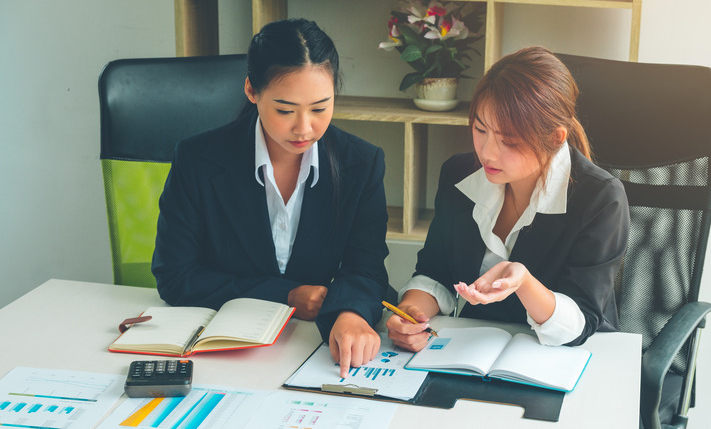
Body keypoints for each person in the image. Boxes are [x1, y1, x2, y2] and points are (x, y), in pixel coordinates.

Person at [152, 19, 391, 376]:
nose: (304, 128)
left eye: (320, 107)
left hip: (308, 349)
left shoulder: (362, 163)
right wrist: (287, 295)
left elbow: (367, 271)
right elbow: (175, 276)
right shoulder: (198, 159)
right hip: (220, 349)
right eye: (284, 110)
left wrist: (351, 312)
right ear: (251, 90)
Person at [386, 46, 629, 351]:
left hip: (564, 356)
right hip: (475, 348)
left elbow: (579, 322)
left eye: (508, 141)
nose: (487, 152)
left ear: (555, 138)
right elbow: (436, 274)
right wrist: (411, 313)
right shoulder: (458, 174)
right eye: (480, 129)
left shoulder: (601, 199)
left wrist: (524, 282)